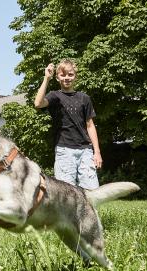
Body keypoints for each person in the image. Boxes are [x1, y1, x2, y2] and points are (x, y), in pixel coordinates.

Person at [33, 59, 102, 190]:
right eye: (63, 75)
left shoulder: (84, 98)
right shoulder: (54, 96)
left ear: (75, 76)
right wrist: (46, 78)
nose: (66, 78)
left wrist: (97, 152)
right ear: (58, 77)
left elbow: (90, 125)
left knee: (92, 191)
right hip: (64, 150)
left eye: (70, 74)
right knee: (66, 193)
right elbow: (38, 103)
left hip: (86, 151)